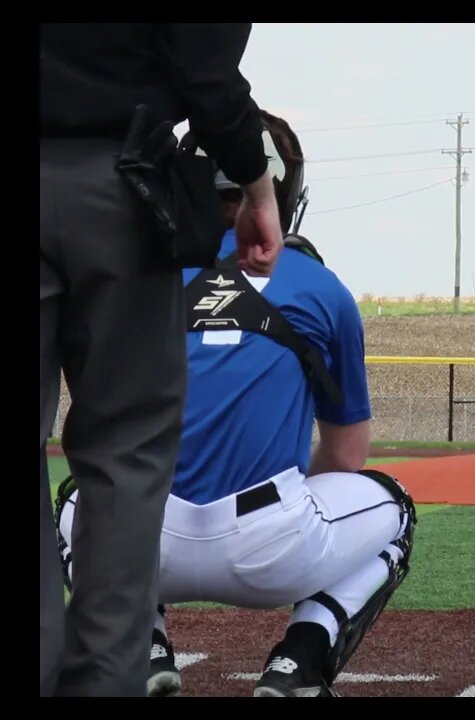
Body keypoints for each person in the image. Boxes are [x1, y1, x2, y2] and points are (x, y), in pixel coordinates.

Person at [53, 111, 417, 698]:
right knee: (394, 510)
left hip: (143, 542)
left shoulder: (138, 274)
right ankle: (300, 662)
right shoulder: (322, 290)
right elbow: (347, 455)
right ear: (285, 191)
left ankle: (142, 647)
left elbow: (98, 420)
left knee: (77, 499)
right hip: (273, 547)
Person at [40, 23, 284, 697]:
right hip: (124, 184)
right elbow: (207, 74)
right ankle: (105, 684)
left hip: (119, 175)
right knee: (126, 453)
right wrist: (257, 186)